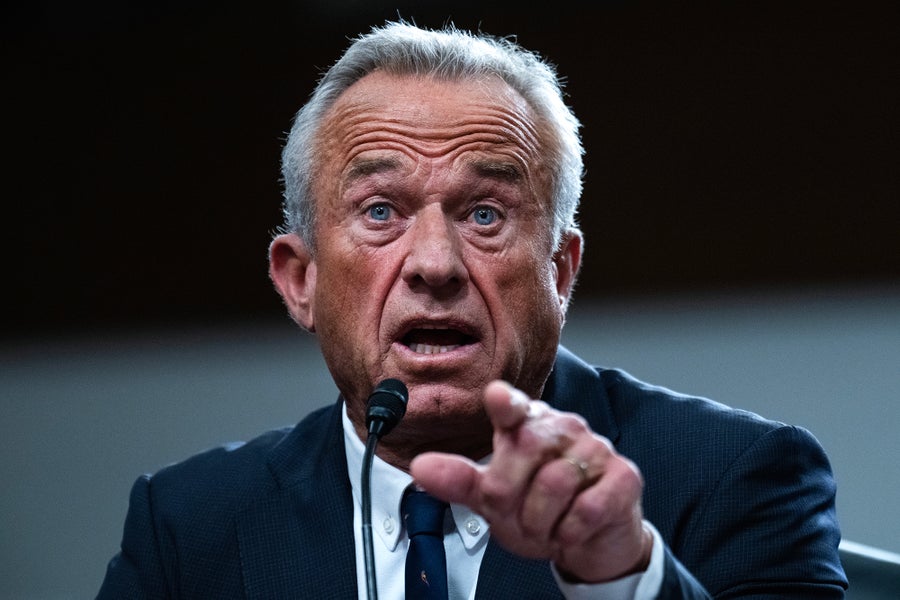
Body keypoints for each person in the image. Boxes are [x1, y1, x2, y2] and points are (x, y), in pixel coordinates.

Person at [97, 21, 847, 598]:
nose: (434, 264)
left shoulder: (737, 478)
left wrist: (622, 575)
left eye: (485, 214)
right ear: (301, 281)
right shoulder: (187, 524)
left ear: (560, 271)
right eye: (381, 210)